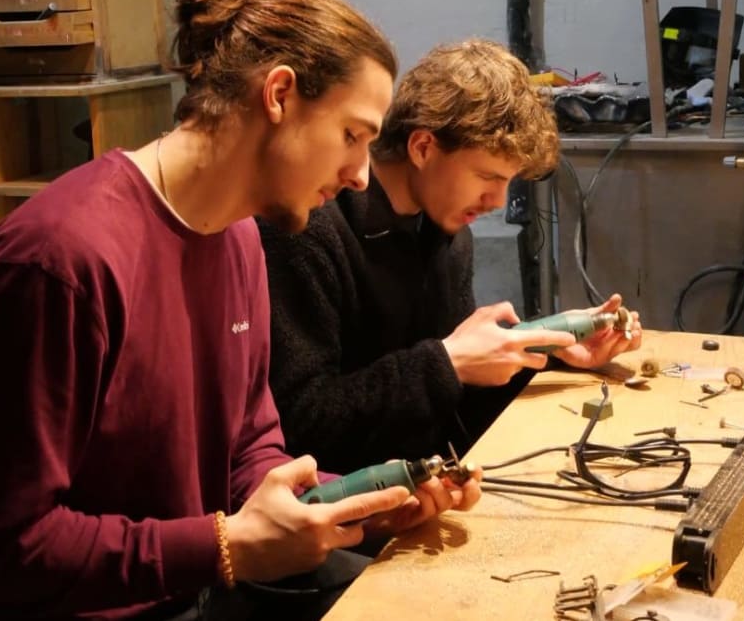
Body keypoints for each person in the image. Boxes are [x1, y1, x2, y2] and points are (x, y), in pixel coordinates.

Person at [0, 0, 481, 620]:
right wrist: (222, 547)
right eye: (351, 135)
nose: (361, 176)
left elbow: (248, 448)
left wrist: (360, 503)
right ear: (278, 95)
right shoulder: (59, 263)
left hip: (199, 596)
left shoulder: (240, 239)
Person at [259, 39, 643, 475]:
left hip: (429, 483)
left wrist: (547, 350)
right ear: (422, 147)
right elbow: (301, 424)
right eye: (486, 176)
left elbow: (452, 393)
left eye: (508, 182)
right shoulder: (306, 229)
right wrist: (447, 363)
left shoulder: (447, 236)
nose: (498, 201)